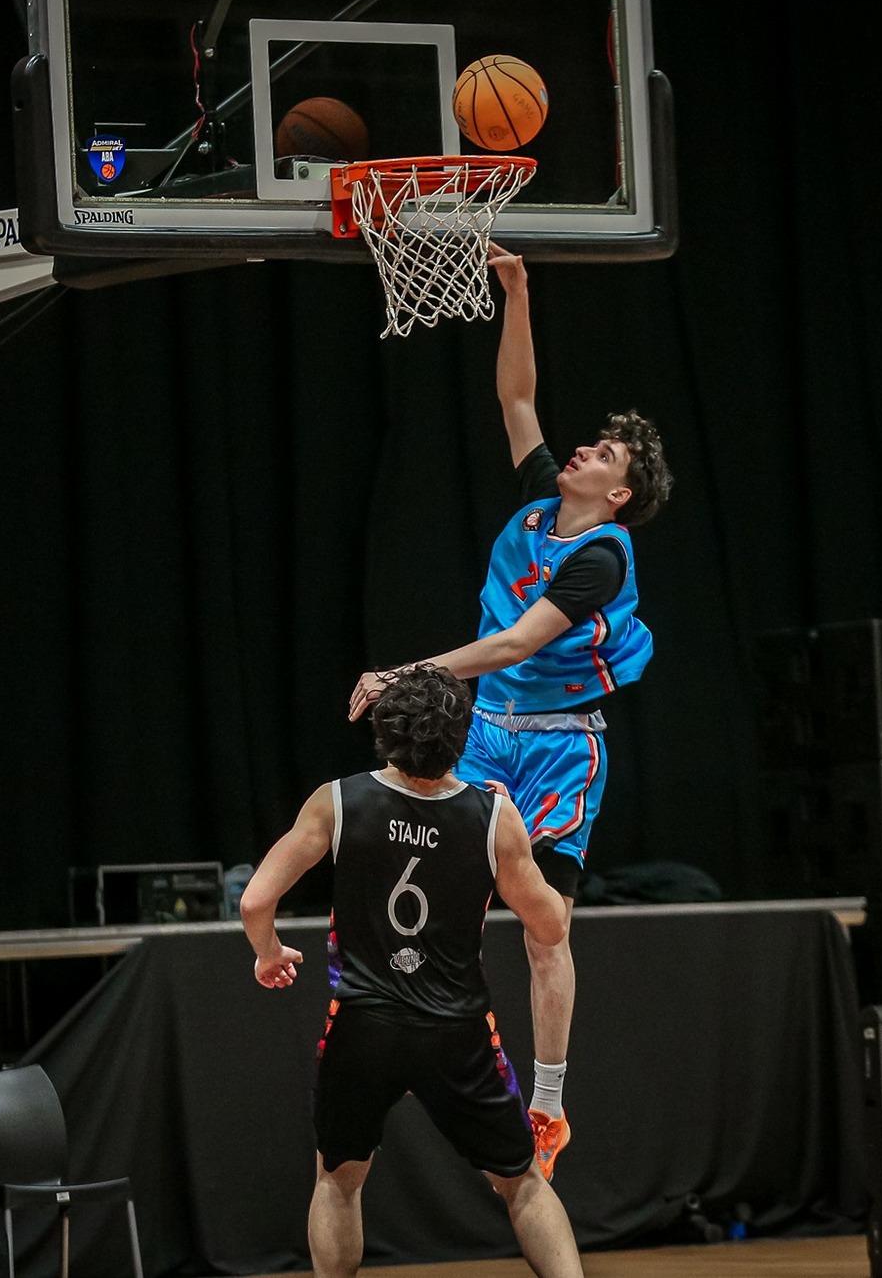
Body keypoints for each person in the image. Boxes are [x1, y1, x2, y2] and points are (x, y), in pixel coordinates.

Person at [346, 246, 673, 1179]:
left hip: (561, 746)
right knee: (430, 885)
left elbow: (514, 644)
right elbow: (516, 397)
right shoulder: (539, 505)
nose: (582, 449)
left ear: (617, 494)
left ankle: (549, 1103)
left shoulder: (600, 556)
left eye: (602, 454)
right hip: (488, 732)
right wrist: (517, 293)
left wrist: (403, 671)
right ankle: (406, 1028)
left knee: (546, 927)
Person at [242, 666, 584, 1278]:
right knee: (524, 1184)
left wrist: (268, 953)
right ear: (463, 738)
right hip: (456, 1031)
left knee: (338, 1181)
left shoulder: (337, 800)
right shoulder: (493, 817)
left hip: (362, 1025)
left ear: (385, 728)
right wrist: (529, 845)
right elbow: (551, 927)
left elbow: (254, 901)